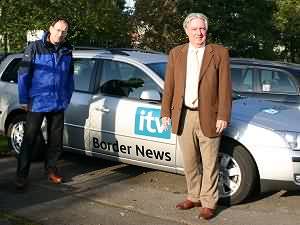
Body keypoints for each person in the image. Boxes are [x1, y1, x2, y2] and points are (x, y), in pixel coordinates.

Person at [161, 13, 232, 220]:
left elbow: (225, 88)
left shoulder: (219, 53)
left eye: (202, 29)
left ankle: (209, 203)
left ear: (206, 30)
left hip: (209, 115)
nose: (199, 33)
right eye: (194, 29)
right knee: (190, 161)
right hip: (184, 115)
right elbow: (169, 87)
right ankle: (194, 196)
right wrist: (166, 112)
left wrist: (223, 115)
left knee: (210, 162)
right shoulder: (176, 53)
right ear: (186, 32)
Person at [16, 17, 74, 190]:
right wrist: (23, 99)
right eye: (58, 29)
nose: (60, 33)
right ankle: (21, 175)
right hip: (37, 102)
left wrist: (67, 97)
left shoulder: (67, 49)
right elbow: (23, 75)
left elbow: (70, 76)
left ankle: (51, 170)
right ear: (50, 28)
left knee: (56, 141)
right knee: (29, 139)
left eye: (64, 31)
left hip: (58, 103)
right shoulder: (34, 47)